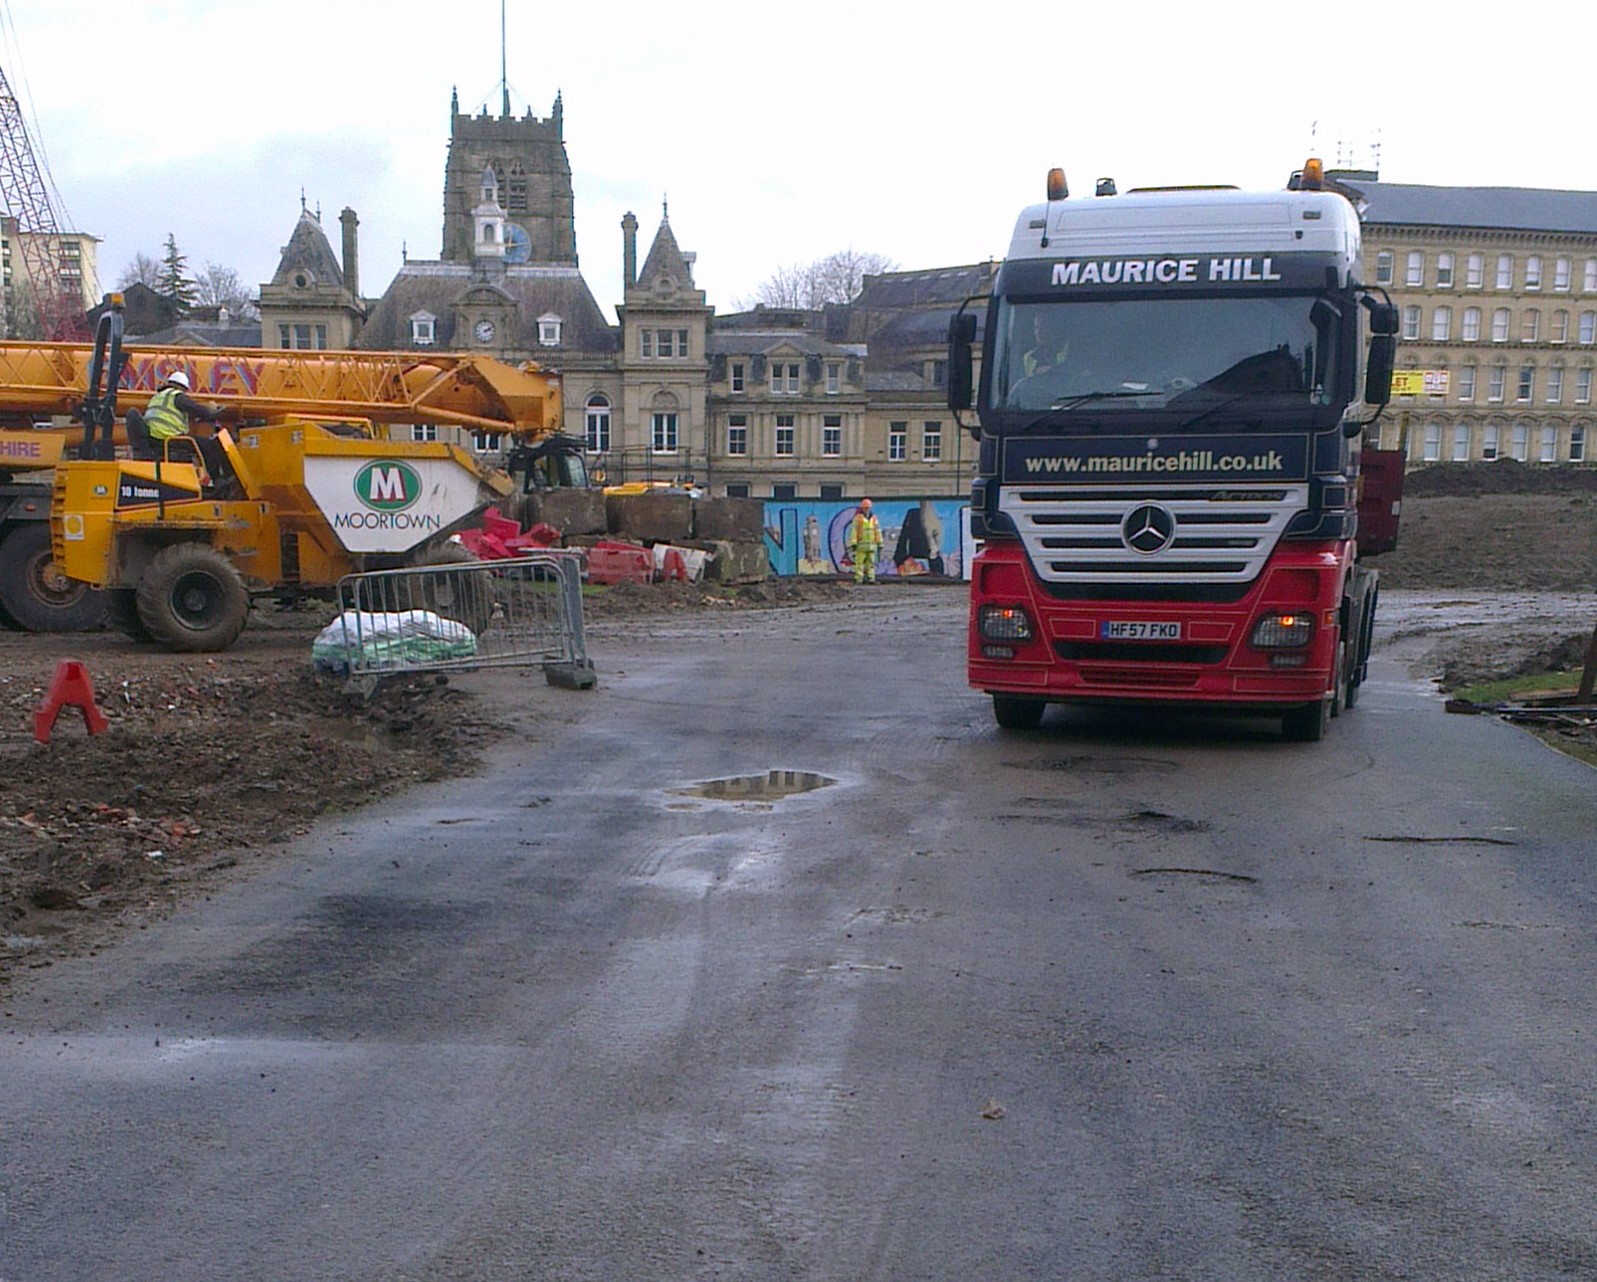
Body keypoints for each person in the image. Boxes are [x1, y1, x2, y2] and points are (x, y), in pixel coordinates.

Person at [126, 371, 231, 484]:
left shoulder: (157, 397)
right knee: (209, 445)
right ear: (182, 388)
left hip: (155, 439)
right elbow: (194, 408)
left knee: (196, 443)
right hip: (167, 438)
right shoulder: (176, 395)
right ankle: (218, 481)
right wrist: (211, 413)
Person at [845, 497, 882, 584]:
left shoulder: (874, 519)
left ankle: (871, 578)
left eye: (868, 508)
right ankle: (859, 579)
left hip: (872, 546)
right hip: (861, 545)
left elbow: (877, 531)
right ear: (862, 508)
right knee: (859, 564)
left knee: (871, 563)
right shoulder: (858, 519)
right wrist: (854, 543)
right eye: (865, 508)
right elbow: (854, 531)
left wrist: (880, 543)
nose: (867, 509)